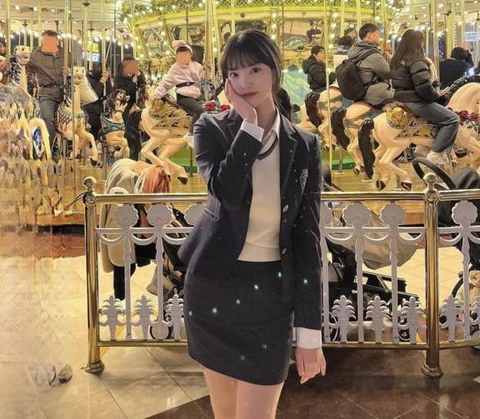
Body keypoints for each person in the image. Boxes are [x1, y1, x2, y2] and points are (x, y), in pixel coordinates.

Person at [178, 30, 325, 419]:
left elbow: (308, 238)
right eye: (234, 73)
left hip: (271, 299)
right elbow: (225, 192)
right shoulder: (210, 128)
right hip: (214, 291)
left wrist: (310, 333)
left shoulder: (304, 145)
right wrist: (249, 126)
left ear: (274, 70)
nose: (244, 82)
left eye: (255, 70)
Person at [390, 29, 459, 166]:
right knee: (452, 119)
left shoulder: (396, 61)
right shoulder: (417, 61)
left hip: (401, 98)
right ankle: (436, 153)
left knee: (436, 118)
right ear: (418, 43)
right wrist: (435, 94)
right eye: (422, 42)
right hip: (415, 100)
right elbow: (423, 87)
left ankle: (423, 146)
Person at [28, 30, 73, 149]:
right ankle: (51, 147)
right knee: (47, 116)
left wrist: (69, 72)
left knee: (81, 114)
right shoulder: (35, 55)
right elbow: (25, 65)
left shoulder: (66, 54)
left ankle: (72, 146)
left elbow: (77, 70)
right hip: (47, 92)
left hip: (65, 91)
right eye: (44, 42)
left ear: (56, 41)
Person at [152, 40, 205, 129]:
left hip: (197, 95)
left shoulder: (197, 66)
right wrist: (157, 95)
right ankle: (192, 133)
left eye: (185, 54)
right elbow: (165, 83)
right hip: (184, 96)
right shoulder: (175, 68)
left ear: (190, 54)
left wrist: (208, 70)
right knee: (199, 110)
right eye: (180, 55)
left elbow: (203, 80)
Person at [346, 23, 394, 108]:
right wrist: (393, 60)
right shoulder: (372, 54)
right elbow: (389, 73)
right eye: (377, 33)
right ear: (369, 35)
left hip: (361, 91)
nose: (379, 36)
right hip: (376, 95)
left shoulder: (356, 51)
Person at [84, 63, 112, 140]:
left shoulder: (105, 79)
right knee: (96, 122)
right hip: (89, 108)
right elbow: (94, 96)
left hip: (99, 108)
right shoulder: (89, 80)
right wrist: (101, 82)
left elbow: (110, 93)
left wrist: (108, 80)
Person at [113, 56, 146, 122]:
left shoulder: (135, 73)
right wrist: (133, 82)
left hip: (135, 103)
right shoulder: (119, 76)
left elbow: (142, 85)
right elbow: (123, 92)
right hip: (124, 105)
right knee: (127, 121)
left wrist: (139, 75)